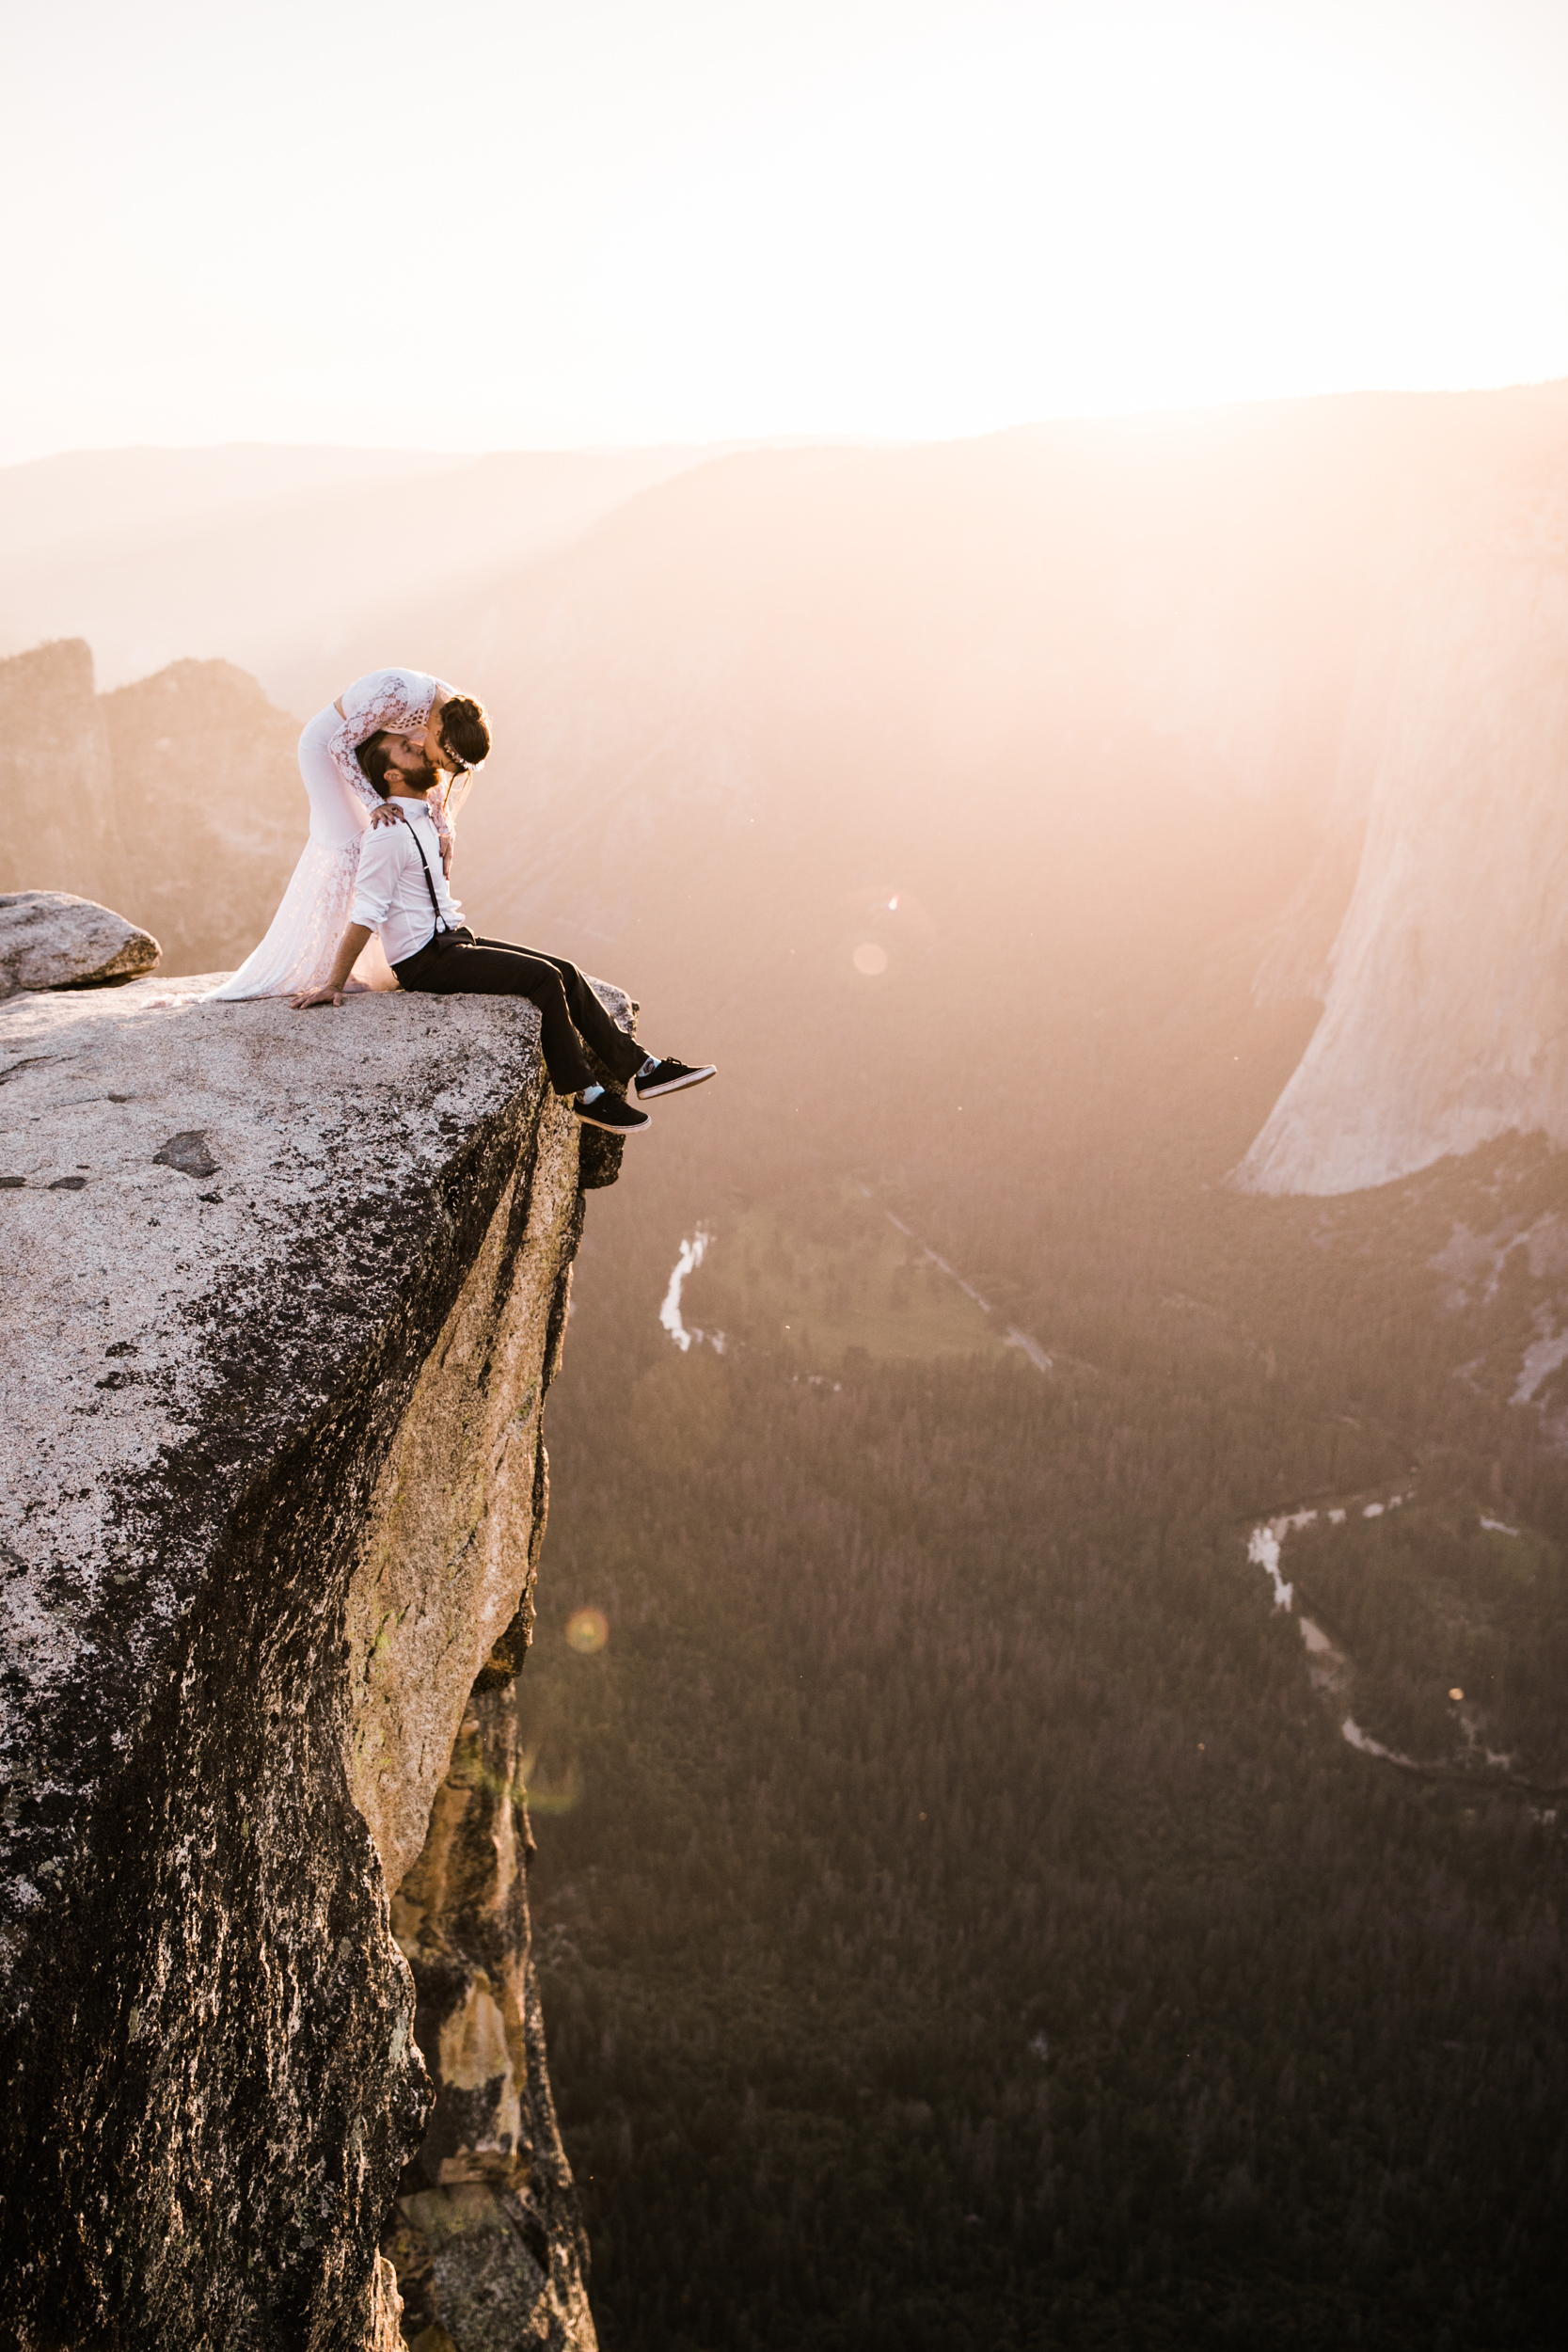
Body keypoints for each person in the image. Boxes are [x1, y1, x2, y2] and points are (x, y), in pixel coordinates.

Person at [289, 730, 715, 1136]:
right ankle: (586, 1094)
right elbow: (366, 913)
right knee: (542, 979)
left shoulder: (423, 817)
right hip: (424, 961)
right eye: (406, 749)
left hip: (453, 939)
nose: (419, 747)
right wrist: (334, 981)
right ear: (391, 775)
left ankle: (644, 1069)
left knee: (563, 969)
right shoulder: (386, 835)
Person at [209, 667, 490, 1002]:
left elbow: (424, 770)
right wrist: (374, 803)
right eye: (443, 759)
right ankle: (327, 971)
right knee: (353, 847)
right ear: (440, 731)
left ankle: (372, 962)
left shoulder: (447, 715)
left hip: (367, 754)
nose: (437, 766)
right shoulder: (402, 696)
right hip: (326, 752)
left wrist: (444, 829)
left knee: (377, 851)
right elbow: (339, 744)